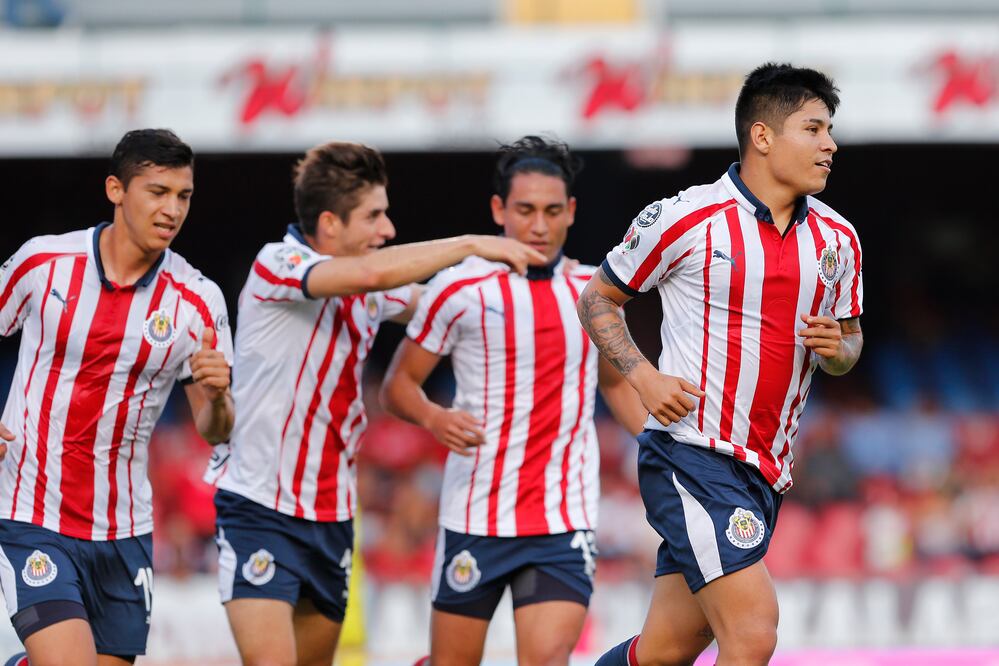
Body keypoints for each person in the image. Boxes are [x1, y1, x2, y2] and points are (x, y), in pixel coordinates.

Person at [206, 140, 547, 666]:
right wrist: (470, 244)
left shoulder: (370, 290)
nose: (387, 230)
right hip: (259, 507)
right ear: (329, 223)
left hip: (333, 517)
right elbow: (371, 275)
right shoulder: (278, 265)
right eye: (374, 216)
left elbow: (440, 307)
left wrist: (555, 301)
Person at [581, 63, 864, 666]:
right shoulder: (686, 217)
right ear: (763, 136)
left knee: (663, 650)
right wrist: (643, 374)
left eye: (830, 130)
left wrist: (839, 352)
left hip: (766, 469)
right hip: (691, 453)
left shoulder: (839, 240)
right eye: (814, 129)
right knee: (754, 630)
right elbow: (598, 297)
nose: (829, 144)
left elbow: (851, 342)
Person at [380, 135, 647, 666]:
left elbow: (615, 384)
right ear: (499, 210)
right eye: (525, 210)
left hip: (561, 518)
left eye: (552, 211)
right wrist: (434, 417)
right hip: (475, 514)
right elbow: (397, 387)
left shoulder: (593, 294)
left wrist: (665, 450)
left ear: (571, 211)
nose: (539, 226)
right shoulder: (460, 288)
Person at [0, 129, 234, 666]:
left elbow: (215, 428)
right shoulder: (45, 264)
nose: (172, 209)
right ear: (116, 189)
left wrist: (218, 395)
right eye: (157, 192)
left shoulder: (198, 301)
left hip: (125, 528)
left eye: (184, 196)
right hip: (33, 513)